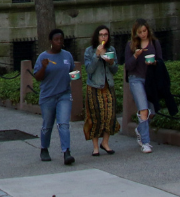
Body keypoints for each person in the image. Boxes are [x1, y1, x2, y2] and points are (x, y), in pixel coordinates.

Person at [33, 28, 76, 166]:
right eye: (56, 40)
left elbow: (72, 71)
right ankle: (44, 149)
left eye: (61, 39)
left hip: (64, 94)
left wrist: (76, 76)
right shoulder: (43, 57)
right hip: (48, 96)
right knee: (47, 125)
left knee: (63, 123)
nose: (59, 42)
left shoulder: (67, 55)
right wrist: (44, 67)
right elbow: (37, 77)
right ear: (51, 41)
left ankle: (66, 152)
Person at [125, 18, 162, 154]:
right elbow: (128, 66)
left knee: (152, 112)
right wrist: (135, 56)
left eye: (144, 31)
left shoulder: (154, 43)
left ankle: (140, 129)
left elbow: (160, 60)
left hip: (151, 79)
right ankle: (146, 143)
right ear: (135, 33)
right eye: (140, 32)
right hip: (136, 79)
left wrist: (154, 63)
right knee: (144, 109)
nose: (143, 34)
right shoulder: (131, 45)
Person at [83, 25, 120, 156]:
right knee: (96, 116)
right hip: (94, 86)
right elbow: (89, 70)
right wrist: (97, 55)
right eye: (101, 34)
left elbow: (115, 70)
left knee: (110, 116)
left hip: (108, 85)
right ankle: (95, 147)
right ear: (96, 36)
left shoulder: (111, 49)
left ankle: (105, 142)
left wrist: (111, 62)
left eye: (106, 35)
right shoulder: (89, 51)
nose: (103, 37)